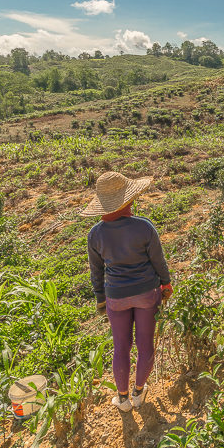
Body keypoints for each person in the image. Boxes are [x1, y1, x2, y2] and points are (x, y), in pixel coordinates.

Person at [84, 171, 172, 412]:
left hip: (116, 297)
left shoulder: (95, 234)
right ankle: (139, 392)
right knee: (146, 345)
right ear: (129, 201)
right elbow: (158, 261)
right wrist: (166, 284)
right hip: (146, 294)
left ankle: (122, 399)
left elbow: (96, 272)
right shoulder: (144, 227)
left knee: (121, 346)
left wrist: (101, 300)